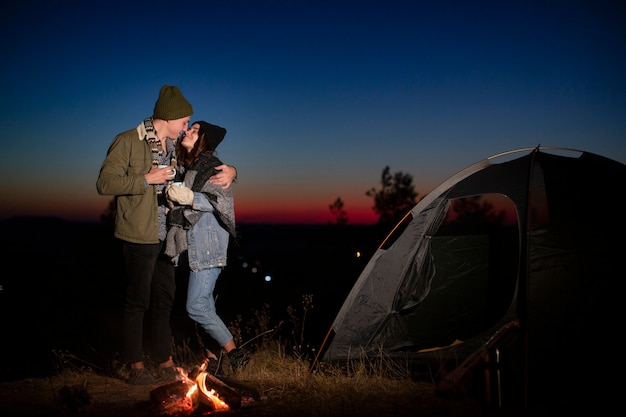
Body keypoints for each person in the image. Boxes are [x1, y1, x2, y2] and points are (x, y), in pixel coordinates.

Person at [96, 86, 238, 385]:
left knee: (164, 301)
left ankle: (164, 360)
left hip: (168, 238)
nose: (187, 126)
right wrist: (146, 179)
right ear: (170, 117)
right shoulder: (128, 140)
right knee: (137, 302)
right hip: (139, 233)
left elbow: (206, 161)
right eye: (185, 121)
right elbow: (104, 183)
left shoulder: (173, 148)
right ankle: (135, 365)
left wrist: (234, 171)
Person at [164, 121, 249, 374]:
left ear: (204, 140)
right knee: (205, 307)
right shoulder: (187, 167)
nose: (186, 132)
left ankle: (236, 353)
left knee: (196, 306)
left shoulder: (212, 167)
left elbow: (221, 201)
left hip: (207, 246)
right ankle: (213, 362)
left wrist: (191, 198)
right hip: (189, 244)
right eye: (188, 128)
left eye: (194, 131)